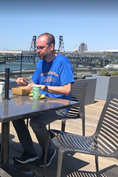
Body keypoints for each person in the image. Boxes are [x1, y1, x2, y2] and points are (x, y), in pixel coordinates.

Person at [12, 32, 74, 167]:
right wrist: (24, 83)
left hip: (60, 106)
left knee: (36, 123)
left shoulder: (63, 62)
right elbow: (34, 85)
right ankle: (30, 152)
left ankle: (49, 151)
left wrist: (44, 87)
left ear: (51, 47)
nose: (37, 51)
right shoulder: (41, 64)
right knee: (15, 117)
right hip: (42, 103)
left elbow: (66, 90)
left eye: (41, 48)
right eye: (37, 48)